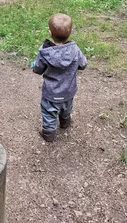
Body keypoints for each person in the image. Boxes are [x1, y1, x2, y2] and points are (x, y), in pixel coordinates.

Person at [31, 13, 87, 142]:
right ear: (71, 32)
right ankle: (65, 123)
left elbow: (37, 69)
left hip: (51, 93)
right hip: (69, 91)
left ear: (50, 33)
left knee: (49, 113)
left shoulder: (45, 53)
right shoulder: (75, 50)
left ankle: (49, 134)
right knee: (66, 108)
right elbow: (83, 64)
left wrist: (35, 67)